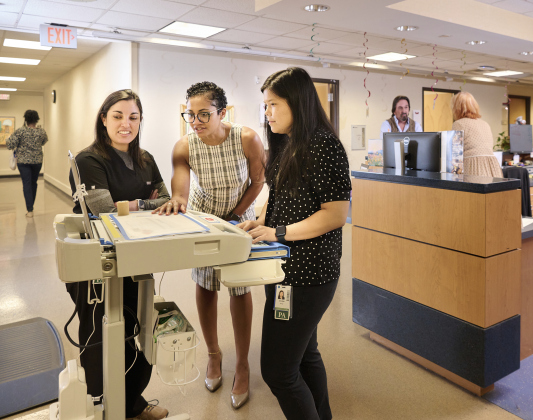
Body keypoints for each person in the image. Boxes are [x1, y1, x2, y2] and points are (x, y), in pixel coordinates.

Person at [239, 67, 351, 420]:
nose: (267, 113)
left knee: (278, 371)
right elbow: (278, 194)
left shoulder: (324, 146)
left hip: (307, 275)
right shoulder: (287, 142)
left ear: (297, 104)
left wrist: (279, 232)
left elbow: (335, 214)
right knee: (304, 355)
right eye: (265, 106)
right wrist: (262, 221)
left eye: (273, 105)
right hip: (284, 268)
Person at [154, 81, 265, 409]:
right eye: (191, 115)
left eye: (205, 114)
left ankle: (242, 365)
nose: (197, 121)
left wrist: (233, 216)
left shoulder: (246, 138)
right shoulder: (184, 146)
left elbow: (258, 181)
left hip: (239, 215)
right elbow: (181, 190)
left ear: (222, 112)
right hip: (204, 217)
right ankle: (214, 355)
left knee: (239, 287)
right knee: (205, 284)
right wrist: (177, 202)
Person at [66, 89, 171, 420]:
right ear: (103, 118)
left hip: (136, 257)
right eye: (118, 116)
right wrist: (142, 203)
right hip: (98, 262)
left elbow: (166, 200)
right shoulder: (88, 160)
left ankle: (130, 404)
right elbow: (102, 211)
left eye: (133, 117)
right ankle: (102, 405)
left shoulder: (146, 159)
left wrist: (130, 205)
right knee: (101, 333)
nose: (126, 124)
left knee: (133, 329)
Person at [451, 91, 503, 178]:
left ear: (457, 108)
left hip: (473, 168)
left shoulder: (458, 124)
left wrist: (453, 178)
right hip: (493, 169)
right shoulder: (485, 124)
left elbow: (456, 155)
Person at [6, 110, 48, 217]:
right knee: (34, 183)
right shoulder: (41, 131)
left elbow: (10, 144)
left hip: (23, 162)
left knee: (26, 184)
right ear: (37, 119)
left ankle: (30, 210)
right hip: (37, 161)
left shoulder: (20, 131)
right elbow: (44, 142)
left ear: (25, 119)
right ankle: (31, 206)